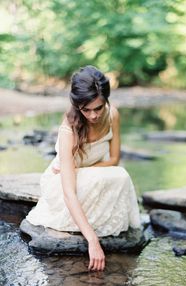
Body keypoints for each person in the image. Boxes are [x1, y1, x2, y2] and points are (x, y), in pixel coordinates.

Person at [26, 65, 141, 271]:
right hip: (62, 184)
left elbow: (114, 159)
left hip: (88, 175)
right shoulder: (68, 130)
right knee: (106, 178)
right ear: (77, 104)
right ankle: (87, 226)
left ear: (106, 100)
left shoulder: (112, 114)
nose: (93, 115)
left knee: (121, 175)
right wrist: (93, 241)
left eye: (98, 108)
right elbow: (69, 192)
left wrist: (87, 171)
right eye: (85, 109)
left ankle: (94, 217)